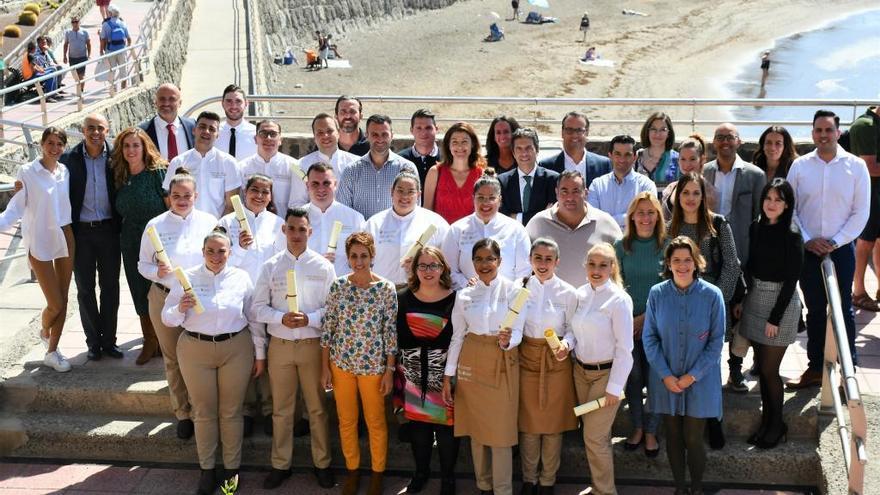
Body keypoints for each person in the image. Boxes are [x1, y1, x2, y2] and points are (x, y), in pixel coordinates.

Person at [161, 227, 258, 495]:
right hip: (196, 348)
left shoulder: (241, 277)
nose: (216, 256)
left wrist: (260, 353)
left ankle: (231, 470)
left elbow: (253, 316)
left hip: (235, 347)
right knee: (203, 411)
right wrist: (180, 307)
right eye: (210, 251)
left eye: (222, 251)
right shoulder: (186, 277)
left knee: (231, 410)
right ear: (202, 252)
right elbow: (167, 317)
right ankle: (207, 468)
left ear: (230, 252)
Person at [252, 207, 337, 490]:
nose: (297, 234)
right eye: (292, 228)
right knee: (282, 409)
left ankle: (322, 463)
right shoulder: (270, 266)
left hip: (312, 346)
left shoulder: (323, 267)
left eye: (302, 229)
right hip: (281, 346)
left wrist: (310, 319)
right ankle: (280, 464)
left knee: (316, 408)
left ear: (310, 232)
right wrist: (279, 318)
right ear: (283, 230)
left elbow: (334, 309)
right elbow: (257, 308)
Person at [787, 110, 870, 389]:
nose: (823, 135)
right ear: (812, 133)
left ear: (838, 132)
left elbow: (861, 213)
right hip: (808, 250)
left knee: (843, 308)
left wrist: (835, 241)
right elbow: (792, 209)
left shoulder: (856, 166)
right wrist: (809, 239)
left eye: (828, 130)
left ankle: (850, 371)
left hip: (842, 249)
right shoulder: (799, 167)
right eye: (818, 130)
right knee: (815, 309)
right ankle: (815, 368)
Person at [138, 170, 218, 440]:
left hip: (200, 294)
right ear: (168, 198)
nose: (182, 200)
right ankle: (183, 412)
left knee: (200, 355)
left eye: (187, 195)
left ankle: (203, 410)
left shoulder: (209, 222)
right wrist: (157, 272)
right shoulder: (155, 226)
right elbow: (142, 264)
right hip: (165, 294)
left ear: (196, 196)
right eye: (176, 196)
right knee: (173, 358)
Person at [442, 238, 526, 495]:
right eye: (478, 259)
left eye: (490, 258)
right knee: (476, 430)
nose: (484, 264)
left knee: (500, 433)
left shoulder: (515, 291)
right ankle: (483, 486)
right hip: (471, 362)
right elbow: (458, 336)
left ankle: (502, 490)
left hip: (502, 361)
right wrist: (449, 376)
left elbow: (519, 330)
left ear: (499, 261)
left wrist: (508, 341)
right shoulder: (464, 295)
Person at [643, 236, 725, 495]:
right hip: (665, 379)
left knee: (693, 438)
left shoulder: (713, 296)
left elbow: (716, 342)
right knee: (673, 437)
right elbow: (650, 337)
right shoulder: (657, 294)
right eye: (676, 260)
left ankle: (697, 489)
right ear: (668, 263)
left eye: (687, 260)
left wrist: (692, 376)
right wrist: (666, 376)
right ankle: (680, 488)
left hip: (700, 380)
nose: (682, 265)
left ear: (696, 262)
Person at [321, 232, 398, 495]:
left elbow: (390, 333)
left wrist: (389, 370)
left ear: (372, 256)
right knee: (347, 421)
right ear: (348, 257)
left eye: (363, 256)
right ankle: (352, 471)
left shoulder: (385, 289)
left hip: (374, 368)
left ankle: (377, 474)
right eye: (353, 256)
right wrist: (325, 368)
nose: (358, 261)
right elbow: (328, 329)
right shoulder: (338, 286)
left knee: (375, 421)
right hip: (341, 365)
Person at [667, 173, 740, 448]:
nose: (690, 198)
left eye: (696, 193)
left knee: (710, 366)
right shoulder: (670, 228)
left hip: (710, 303)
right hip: (678, 305)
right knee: (684, 363)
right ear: (678, 195)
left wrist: (716, 303)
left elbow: (732, 266)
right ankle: (688, 421)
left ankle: (714, 421)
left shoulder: (718, 224)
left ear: (703, 196)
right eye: (685, 193)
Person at [735, 179, 803, 449]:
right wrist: (742, 297)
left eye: (778, 199)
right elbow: (751, 265)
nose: (771, 204)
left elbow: (791, 280)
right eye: (768, 198)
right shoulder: (756, 227)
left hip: (781, 306)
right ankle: (767, 423)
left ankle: (778, 426)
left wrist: (775, 318)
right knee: (761, 370)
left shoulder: (793, 234)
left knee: (770, 369)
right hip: (755, 300)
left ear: (786, 205)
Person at [0, 128, 75, 372]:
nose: (55, 148)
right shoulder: (28, 172)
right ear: (42, 144)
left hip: (65, 236)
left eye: (59, 144)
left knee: (63, 299)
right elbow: (16, 207)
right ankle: (45, 330)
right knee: (54, 303)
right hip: (39, 239)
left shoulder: (65, 171)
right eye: (50, 143)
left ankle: (52, 352)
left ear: (64, 147)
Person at [569, 243, 634, 495]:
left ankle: (605, 491)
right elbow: (573, 331)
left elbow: (625, 349)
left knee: (594, 438)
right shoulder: (580, 293)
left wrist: (614, 388)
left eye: (603, 265)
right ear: (585, 266)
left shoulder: (619, 300)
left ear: (612, 267)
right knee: (597, 436)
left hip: (606, 376)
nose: (596, 270)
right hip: (580, 373)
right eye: (592, 264)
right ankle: (600, 487)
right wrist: (566, 343)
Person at [396, 246, 459, 495]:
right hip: (412, 373)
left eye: (434, 265)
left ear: (443, 268)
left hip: (443, 375)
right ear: (414, 269)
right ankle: (420, 473)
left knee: (446, 430)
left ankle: (448, 478)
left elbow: (458, 339)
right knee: (418, 429)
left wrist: (450, 376)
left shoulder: (456, 299)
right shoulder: (402, 297)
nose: (428, 270)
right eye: (422, 265)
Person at [518, 238, 578, 495]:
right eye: (538, 258)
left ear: (557, 262)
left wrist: (567, 344)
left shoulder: (569, 293)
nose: (542, 264)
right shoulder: (518, 289)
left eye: (548, 259)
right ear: (530, 259)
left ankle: (548, 481)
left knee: (553, 427)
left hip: (557, 361)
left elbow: (575, 329)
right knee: (529, 426)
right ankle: (529, 479)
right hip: (527, 360)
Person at [62, 114, 122, 361]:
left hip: (109, 231)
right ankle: (93, 343)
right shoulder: (69, 159)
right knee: (85, 289)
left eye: (100, 128)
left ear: (107, 129)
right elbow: (48, 177)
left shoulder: (117, 158)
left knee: (110, 288)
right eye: (90, 128)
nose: (95, 133)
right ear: (82, 130)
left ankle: (109, 341)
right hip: (82, 233)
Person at [614, 191, 667, 458]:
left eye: (650, 212)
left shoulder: (668, 246)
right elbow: (616, 286)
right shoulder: (620, 247)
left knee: (657, 379)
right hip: (628, 326)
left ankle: (651, 430)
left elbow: (672, 289)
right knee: (633, 377)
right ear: (631, 216)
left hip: (660, 327)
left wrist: (645, 318)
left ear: (658, 216)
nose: (645, 218)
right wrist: (631, 320)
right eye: (640, 213)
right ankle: (636, 426)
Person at [110, 127, 168, 365]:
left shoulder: (158, 172)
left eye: (136, 145)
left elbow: (171, 205)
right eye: (126, 146)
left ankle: (166, 339)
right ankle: (149, 339)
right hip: (131, 239)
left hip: (158, 239)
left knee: (162, 288)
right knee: (138, 288)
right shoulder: (119, 175)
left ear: (145, 147)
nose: (131, 150)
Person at [525, 170, 622, 288]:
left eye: (576, 191)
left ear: (586, 193)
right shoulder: (538, 223)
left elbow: (621, 264)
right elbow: (524, 265)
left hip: (593, 303)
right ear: (556, 192)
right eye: (564, 191)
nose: (570, 197)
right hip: (549, 303)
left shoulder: (606, 223)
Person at [441, 175, 530, 289]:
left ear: (500, 200)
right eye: (481, 197)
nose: (486, 203)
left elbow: (524, 271)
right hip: (468, 297)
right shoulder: (457, 229)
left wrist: (510, 292)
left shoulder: (516, 229)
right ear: (473, 198)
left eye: (492, 198)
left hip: (506, 297)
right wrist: (468, 285)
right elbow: (449, 270)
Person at [365, 171, 449, 286]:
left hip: (421, 291)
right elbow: (364, 260)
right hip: (382, 290)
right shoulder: (374, 223)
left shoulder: (435, 223)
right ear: (391, 191)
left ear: (418, 195)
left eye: (411, 192)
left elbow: (447, 260)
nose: (404, 196)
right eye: (400, 190)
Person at [703, 123, 767, 265]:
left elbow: (760, 215)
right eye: (720, 137)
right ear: (714, 142)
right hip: (709, 242)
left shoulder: (756, 175)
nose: (725, 141)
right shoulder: (703, 172)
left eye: (730, 137)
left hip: (741, 246)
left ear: (739, 142)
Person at [336, 114, 419, 219]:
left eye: (384, 134)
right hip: (361, 233)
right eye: (375, 134)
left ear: (392, 135)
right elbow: (343, 211)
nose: (380, 139)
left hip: (396, 234)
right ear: (367, 135)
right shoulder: (351, 171)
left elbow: (414, 208)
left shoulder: (407, 168)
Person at [163, 111, 241, 218]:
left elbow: (231, 205)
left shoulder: (229, 163)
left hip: (217, 229)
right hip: (185, 227)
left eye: (212, 129)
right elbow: (168, 200)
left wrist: (218, 230)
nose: (206, 131)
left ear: (218, 135)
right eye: (202, 127)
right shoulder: (177, 162)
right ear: (194, 130)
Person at [303, 163, 365, 276]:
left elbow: (365, 257)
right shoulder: (297, 218)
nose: (321, 189)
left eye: (326, 183)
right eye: (315, 184)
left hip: (344, 287)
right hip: (306, 286)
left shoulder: (354, 218)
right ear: (307, 185)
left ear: (335, 184)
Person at [588, 134, 657, 228]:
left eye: (627, 154)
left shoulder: (646, 185)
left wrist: (607, 220)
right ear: (610, 156)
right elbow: (592, 217)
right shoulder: (597, 185)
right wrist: (629, 216)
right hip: (604, 242)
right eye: (618, 154)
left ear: (635, 157)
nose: (622, 159)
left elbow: (646, 217)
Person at [238, 120, 308, 213]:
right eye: (263, 133)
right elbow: (239, 201)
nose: (268, 138)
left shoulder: (296, 167)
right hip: (251, 224)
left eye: (273, 134)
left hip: (284, 224)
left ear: (280, 140)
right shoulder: (242, 167)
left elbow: (301, 200)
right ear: (255, 139)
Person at [423, 121, 486, 224]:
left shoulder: (482, 175)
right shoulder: (435, 172)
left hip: (472, 236)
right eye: (455, 142)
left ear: (473, 144)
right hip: (442, 236)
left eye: (464, 141)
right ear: (448, 145)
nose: (460, 146)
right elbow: (427, 212)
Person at [849, 106, 880, 312]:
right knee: (866, 241)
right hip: (869, 193)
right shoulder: (865, 126)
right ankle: (858, 291)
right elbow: (869, 167)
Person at [498, 128, 559, 226]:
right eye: (519, 149)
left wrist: (515, 217)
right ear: (513, 153)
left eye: (528, 148)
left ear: (537, 150)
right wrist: (541, 215)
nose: (524, 153)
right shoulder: (502, 181)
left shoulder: (553, 180)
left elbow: (553, 215)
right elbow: (501, 216)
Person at [538, 112, 611, 188]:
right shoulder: (545, 166)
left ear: (587, 133)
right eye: (569, 130)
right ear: (562, 133)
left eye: (579, 130)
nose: (574, 135)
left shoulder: (604, 165)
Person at [662, 134, 718, 215]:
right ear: (678, 161)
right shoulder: (671, 188)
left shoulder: (709, 191)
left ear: (702, 159)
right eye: (683, 159)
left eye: (692, 159)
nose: (687, 164)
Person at [138, 83, 196, 161]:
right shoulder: (143, 132)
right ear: (155, 102)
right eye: (162, 99)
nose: (166, 103)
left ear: (180, 103)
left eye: (172, 99)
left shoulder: (192, 126)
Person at [299, 113, 359, 181]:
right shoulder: (301, 166)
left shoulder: (356, 163)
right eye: (320, 132)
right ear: (314, 137)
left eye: (329, 131)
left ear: (338, 133)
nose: (325, 135)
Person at [634, 112, 680, 188]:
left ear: (669, 133)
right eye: (653, 129)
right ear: (647, 131)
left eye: (663, 130)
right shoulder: (636, 157)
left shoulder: (678, 159)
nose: (657, 134)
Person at [397, 109, 441, 186]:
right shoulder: (400, 160)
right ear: (411, 130)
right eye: (419, 128)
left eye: (428, 128)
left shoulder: (448, 158)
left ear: (436, 129)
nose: (423, 132)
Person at [215, 84, 257, 161]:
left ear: (246, 104)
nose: (233, 106)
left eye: (238, 101)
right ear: (222, 104)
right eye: (229, 101)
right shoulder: (213, 133)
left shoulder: (256, 134)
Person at [99, 4, 131, 91]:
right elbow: (129, 38)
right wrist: (127, 47)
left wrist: (101, 51)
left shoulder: (105, 25)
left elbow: (103, 39)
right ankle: (124, 89)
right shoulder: (123, 23)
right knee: (123, 71)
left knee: (111, 71)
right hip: (122, 50)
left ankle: (114, 90)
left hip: (110, 50)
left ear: (110, 13)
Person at [63, 16, 90, 93]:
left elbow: (88, 43)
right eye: (73, 22)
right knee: (76, 76)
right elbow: (66, 44)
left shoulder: (85, 32)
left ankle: (80, 91)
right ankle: (79, 89)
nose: (75, 23)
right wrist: (64, 56)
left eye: (76, 22)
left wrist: (89, 54)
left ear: (79, 22)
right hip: (72, 57)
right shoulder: (68, 32)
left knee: (81, 76)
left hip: (82, 57)